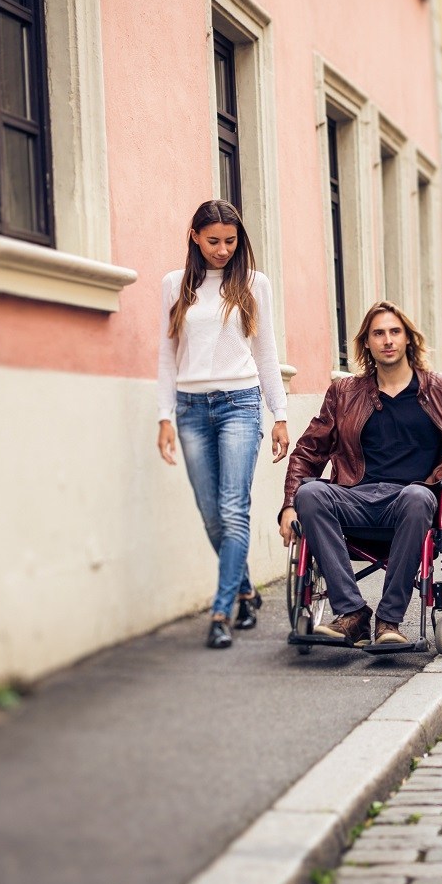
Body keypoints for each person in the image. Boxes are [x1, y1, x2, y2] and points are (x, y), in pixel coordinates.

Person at [277, 301, 442, 646]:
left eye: (394, 332)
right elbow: (308, 451)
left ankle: (389, 620)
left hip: (411, 501)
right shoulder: (344, 393)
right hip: (356, 497)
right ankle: (352, 613)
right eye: (379, 333)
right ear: (367, 343)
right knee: (311, 494)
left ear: (408, 340)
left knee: (418, 497)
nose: (387, 340)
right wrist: (288, 505)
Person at [157, 199, 290, 650]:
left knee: (234, 509)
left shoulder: (254, 284)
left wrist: (280, 414)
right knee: (211, 514)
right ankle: (247, 591)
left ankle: (221, 610)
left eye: (231, 242)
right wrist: (163, 416)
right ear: (195, 237)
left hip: (241, 404)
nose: (222, 250)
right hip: (190, 410)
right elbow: (166, 356)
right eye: (213, 241)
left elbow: (266, 352)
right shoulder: (175, 285)